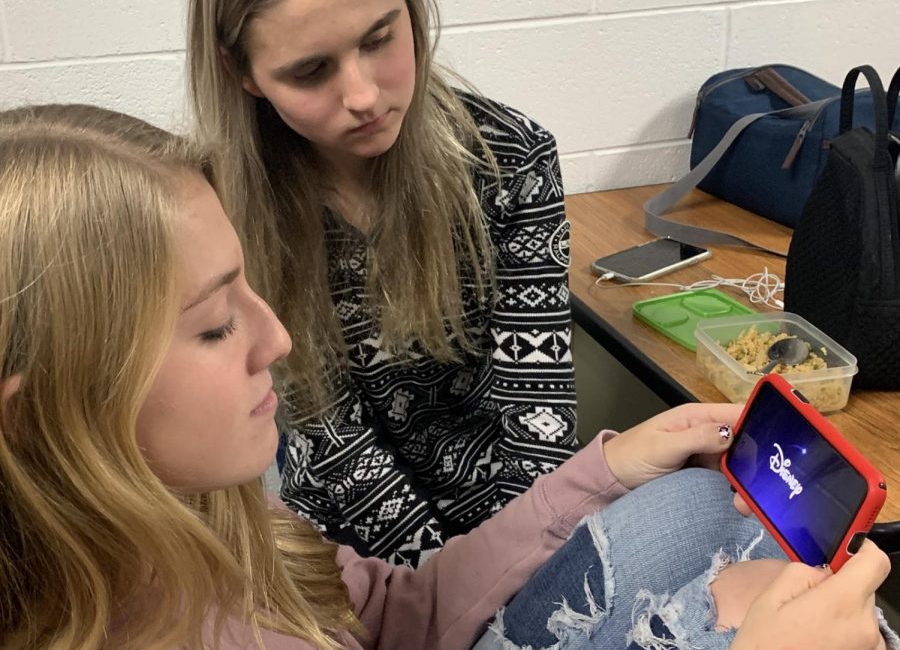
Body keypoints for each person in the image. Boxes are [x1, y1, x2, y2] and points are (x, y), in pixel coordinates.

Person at [0, 103, 895, 650]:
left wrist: (601, 473)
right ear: (44, 413)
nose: (273, 337)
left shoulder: (224, 512)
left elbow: (396, 609)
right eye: (214, 323)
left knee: (707, 512)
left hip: (451, 555)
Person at [186, 0, 579, 565]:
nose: (363, 95)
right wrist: (449, 590)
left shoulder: (511, 159)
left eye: (378, 40)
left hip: (509, 506)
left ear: (411, 7)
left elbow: (538, 412)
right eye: (311, 71)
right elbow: (329, 434)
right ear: (242, 72)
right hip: (345, 532)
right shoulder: (223, 208)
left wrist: (518, 560)